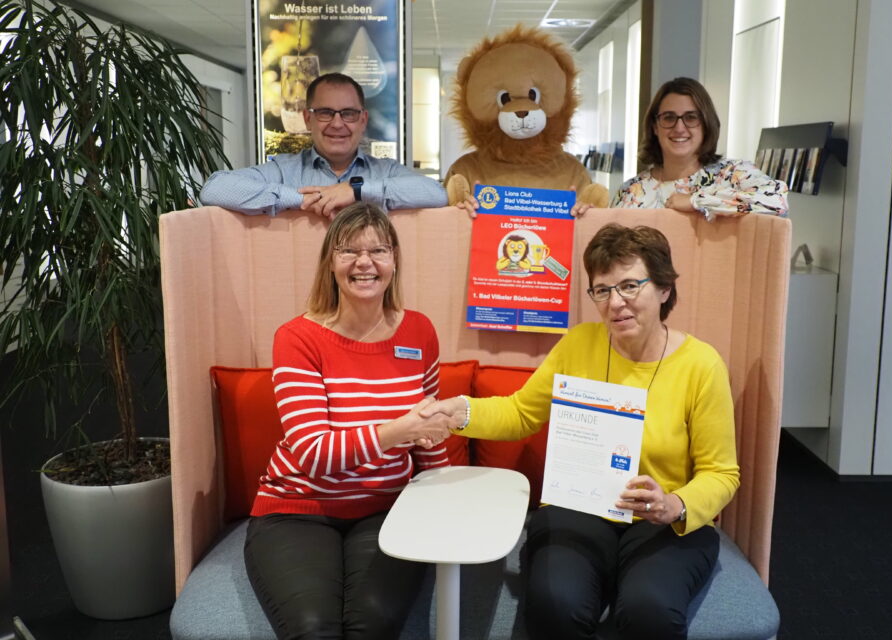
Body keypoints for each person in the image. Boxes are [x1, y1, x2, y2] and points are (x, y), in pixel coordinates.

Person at [422, 223, 740, 639]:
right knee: (556, 602)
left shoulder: (701, 365)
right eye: (602, 290)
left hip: (661, 522)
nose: (615, 303)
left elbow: (722, 473)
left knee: (650, 611)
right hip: (582, 507)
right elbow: (521, 413)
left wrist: (674, 504)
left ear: (664, 288)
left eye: (630, 286)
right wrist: (459, 411)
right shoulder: (580, 343)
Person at [244, 203, 452, 639]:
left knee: (371, 626)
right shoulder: (297, 338)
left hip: (386, 508)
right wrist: (400, 429)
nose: (364, 263)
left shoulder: (419, 332)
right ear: (330, 262)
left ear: (394, 260)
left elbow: (429, 435)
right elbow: (314, 455)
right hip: (297, 509)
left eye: (378, 250)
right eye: (349, 251)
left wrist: (445, 504)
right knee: (313, 629)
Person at [200, 73, 447, 218]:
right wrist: (299, 198)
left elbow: (437, 193)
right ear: (308, 119)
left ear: (363, 120)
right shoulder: (284, 171)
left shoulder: (385, 172)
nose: (337, 124)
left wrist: (357, 190)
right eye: (325, 113)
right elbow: (214, 189)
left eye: (348, 113)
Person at [611, 77, 788, 220]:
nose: (679, 128)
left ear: (705, 124)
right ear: (655, 127)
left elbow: (777, 201)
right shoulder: (631, 191)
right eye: (669, 117)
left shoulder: (733, 175)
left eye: (691, 117)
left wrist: (696, 201)